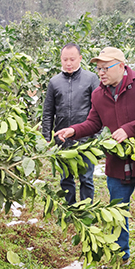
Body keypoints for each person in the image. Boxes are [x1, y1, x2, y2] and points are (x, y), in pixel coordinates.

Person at [55, 47, 135, 269]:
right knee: (116, 211)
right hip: (116, 163)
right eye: (98, 68)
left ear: (121, 65)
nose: (101, 73)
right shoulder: (99, 94)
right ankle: (120, 253)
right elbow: (93, 124)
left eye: (106, 68)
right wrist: (73, 131)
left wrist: (129, 129)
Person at [42, 42, 100, 204]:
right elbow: (48, 112)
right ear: (60, 59)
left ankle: (86, 209)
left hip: (86, 139)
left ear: (80, 58)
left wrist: (96, 135)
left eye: (72, 59)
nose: (68, 63)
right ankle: (70, 209)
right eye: (65, 59)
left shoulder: (91, 79)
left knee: (86, 177)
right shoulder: (54, 82)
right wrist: (47, 137)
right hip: (62, 139)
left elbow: (99, 108)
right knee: (66, 178)